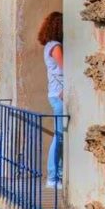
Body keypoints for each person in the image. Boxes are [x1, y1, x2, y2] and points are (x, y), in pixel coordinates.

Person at [39, 12, 65, 189]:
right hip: (59, 94)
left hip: (54, 94)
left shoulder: (48, 45)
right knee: (59, 135)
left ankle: (58, 175)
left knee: (61, 135)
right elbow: (66, 68)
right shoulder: (55, 47)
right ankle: (53, 177)